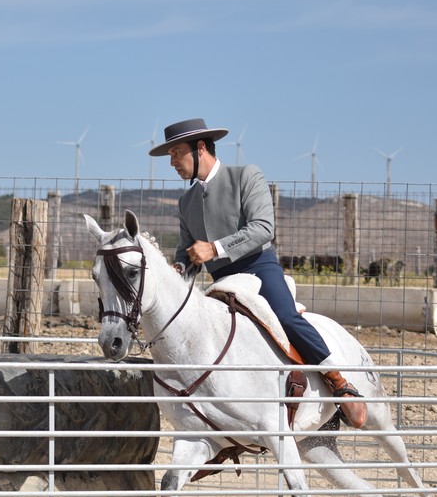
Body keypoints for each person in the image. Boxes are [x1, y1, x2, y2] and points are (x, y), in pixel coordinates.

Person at [149, 118, 366, 428]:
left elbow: (263, 229)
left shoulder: (247, 176)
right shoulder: (186, 203)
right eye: (169, 156)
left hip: (259, 268)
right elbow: (187, 251)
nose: (172, 162)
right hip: (222, 280)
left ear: (200, 148)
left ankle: (339, 383)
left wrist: (215, 248)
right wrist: (179, 267)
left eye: (176, 153)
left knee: (286, 317)